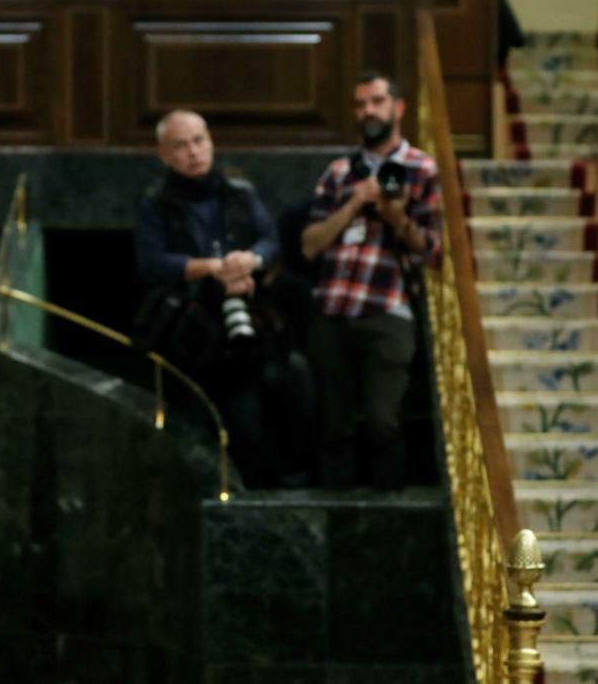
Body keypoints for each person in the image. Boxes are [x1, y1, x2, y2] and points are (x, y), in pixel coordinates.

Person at [131, 110, 312, 486]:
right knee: (225, 425)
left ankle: (287, 479)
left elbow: (270, 241)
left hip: (247, 319)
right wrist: (211, 268)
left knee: (293, 385)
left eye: (199, 141)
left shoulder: (238, 193)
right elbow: (152, 263)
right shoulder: (155, 202)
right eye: (180, 145)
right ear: (164, 155)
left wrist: (250, 260)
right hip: (191, 331)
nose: (193, 152)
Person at [301, 72, 442, 489]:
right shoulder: (340, 171)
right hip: (333, 309)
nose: (368, 111)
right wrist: (355, 202)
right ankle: (337, 511)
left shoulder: (421, 168)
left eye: (377, 102)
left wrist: (396, 216)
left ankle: (389, 514)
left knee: (384, 422)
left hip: (388, 310)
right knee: (333, 426)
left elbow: (432, 250)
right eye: (361, 104)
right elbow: (309, 245)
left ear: (398, 108)